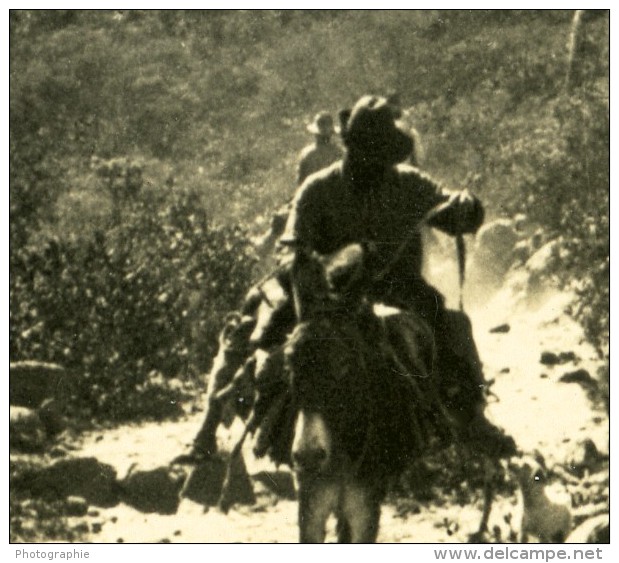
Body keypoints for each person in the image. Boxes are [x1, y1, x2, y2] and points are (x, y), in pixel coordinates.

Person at [281, 94, 514, 454]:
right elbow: (295, 252)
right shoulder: (317, 190)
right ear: (350, 147)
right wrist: (316, 294)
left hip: (401, 290)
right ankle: (253, 431)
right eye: (368, 154)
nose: (377, 164)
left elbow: (451, 211)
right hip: (330, 299)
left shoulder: (408, 183)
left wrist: (467, 208)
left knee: (453, 327)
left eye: (384, 156)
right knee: (271, 350)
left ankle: (473, 421)